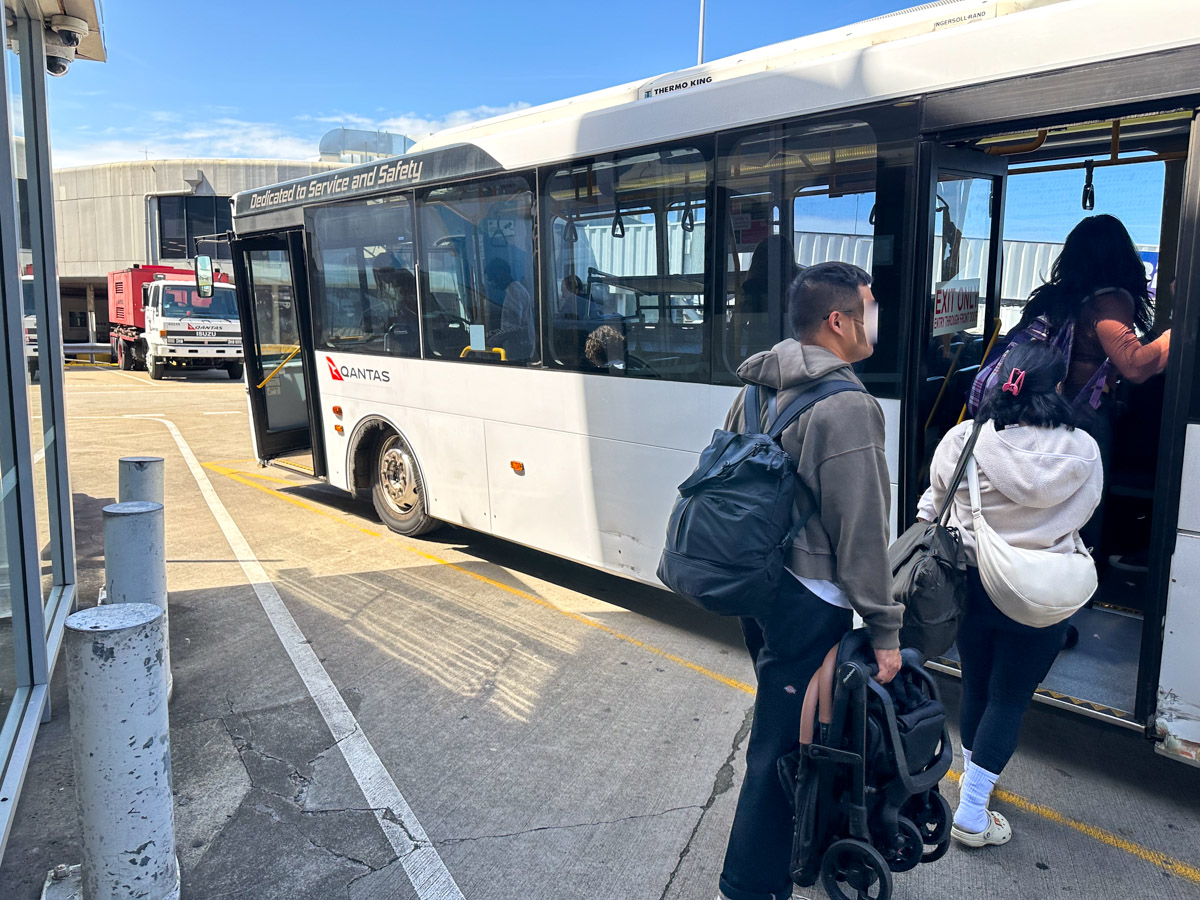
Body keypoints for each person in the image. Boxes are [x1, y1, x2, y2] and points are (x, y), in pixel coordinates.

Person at [717, 261, 903, 900]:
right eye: (871, 306)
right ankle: (749, 885)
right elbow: (863, 533)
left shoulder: (758, 385)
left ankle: (805, 845)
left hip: (758, 584)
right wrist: (885, 628)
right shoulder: (848, 406)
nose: (877, 317)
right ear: (838, 320)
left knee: (793, 723)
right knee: (778, 742)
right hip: (808, 597)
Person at [916, 341, 1102, 848]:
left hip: (973, 584)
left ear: (1001, 381)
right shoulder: (1084, 450)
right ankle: (973, 811)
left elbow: (934, 506)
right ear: (1059, 387)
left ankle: (975, 793)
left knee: (977, 685)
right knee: (1012, 696)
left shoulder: (962, 440)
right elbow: (1085, 517)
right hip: (1044, 591)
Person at [1015, 214, 1169, 554]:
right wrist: (1178, 332)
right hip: (1083, 417)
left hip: (1040, 411)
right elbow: (1134, 366)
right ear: (1120, 256)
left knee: (1048, 500)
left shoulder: (1056, 297)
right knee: (1085, 500)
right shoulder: (1110, 300)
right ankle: (1081, 573)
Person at [484, 257, 535, 362]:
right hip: (520, 348)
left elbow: (512, 328)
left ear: (499, 277)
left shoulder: (514, 293)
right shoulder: (516, 289)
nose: (492, 285)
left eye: (491, 280)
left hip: (518, 351)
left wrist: (489, 341)